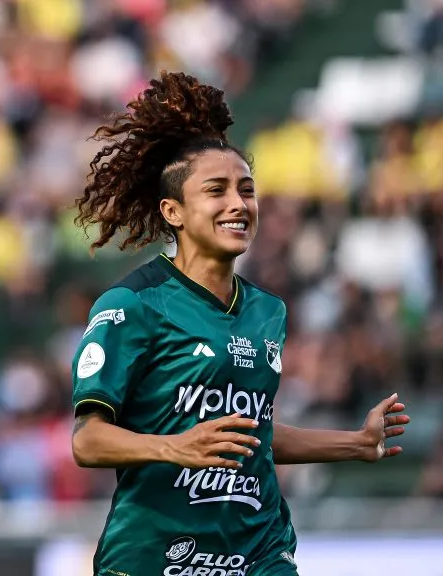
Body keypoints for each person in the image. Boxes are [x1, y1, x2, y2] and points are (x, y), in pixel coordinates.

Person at [69, 72, 410, 576]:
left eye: (246, 190)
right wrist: (175, 447)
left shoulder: (268, 311)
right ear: (174, 211)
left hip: (258, 551)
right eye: (217, 190)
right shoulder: (133, 304)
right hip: (155, 555)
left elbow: (255, 434)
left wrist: (355, 444)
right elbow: (87, 440)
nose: (238, 204)